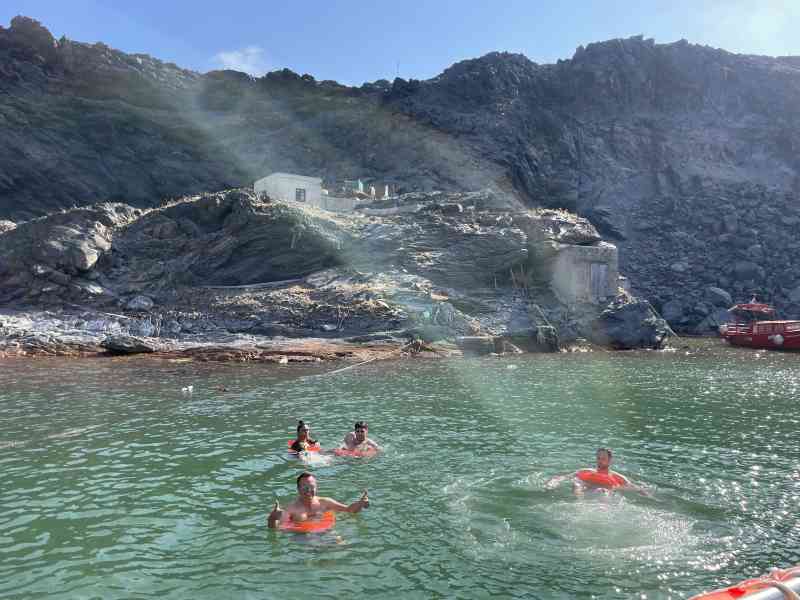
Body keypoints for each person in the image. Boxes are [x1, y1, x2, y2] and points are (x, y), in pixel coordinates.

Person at [267, 472, 369, 528]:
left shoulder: (325, 502)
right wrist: (272, 518)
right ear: (298, 489)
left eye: (312, 487)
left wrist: (360, 503)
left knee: (341, 547)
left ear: (316, 488)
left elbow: (349, 510)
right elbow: (277, 529)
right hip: (302, 538)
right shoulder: (291, 509)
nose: (308, 490)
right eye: (304, 487)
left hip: (325, 532)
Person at [545, 448, 650, 496]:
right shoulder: (585, 471)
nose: (600, 460)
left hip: (603, 493)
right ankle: (579, 502)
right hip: (584, 490)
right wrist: (551, 484)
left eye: (603, 458)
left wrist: (651, 497)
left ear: (610, 460)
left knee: (604, 492)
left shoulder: (618, 477)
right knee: (577, 483)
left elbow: (637, 488)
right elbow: (562, 477)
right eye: (598, 458)